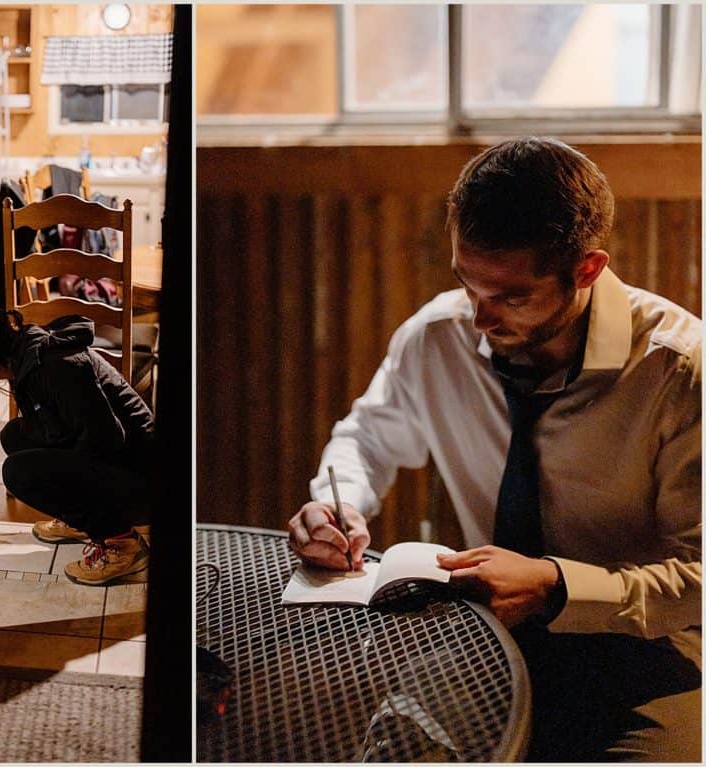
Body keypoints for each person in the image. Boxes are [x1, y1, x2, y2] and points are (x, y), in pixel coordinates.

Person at [287, 137, 701, 761]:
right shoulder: (437, 337)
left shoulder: (679, 371)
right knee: (395, 752)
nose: (479, 320)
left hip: (651, 645)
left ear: (587, 270)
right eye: (468, 285)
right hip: (486, 627)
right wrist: (335, 504)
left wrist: (556, 586)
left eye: (512, 297)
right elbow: (367, 437)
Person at [0, 296, 155, 586]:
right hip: (122, 462)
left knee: (17, 473)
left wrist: (77, 495)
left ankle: (123, 545)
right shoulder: (24, 357)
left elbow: (107, 439)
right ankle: (83, 522)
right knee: (14, 436)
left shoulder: (54, 366)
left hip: (145, 481)